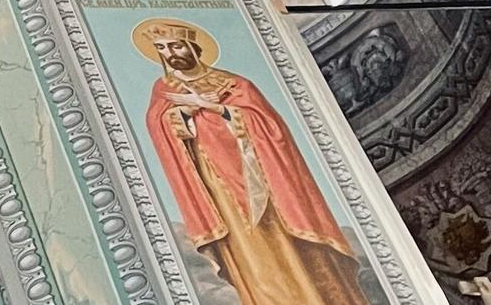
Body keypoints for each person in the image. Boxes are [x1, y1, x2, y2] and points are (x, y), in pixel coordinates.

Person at [138, 19, 369, 305]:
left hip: (260, 176)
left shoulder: (236, 84)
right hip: (216, 183)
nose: (169, 54)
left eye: (175, 46)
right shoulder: (164, 89)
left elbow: (271, 127)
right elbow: (158, 124)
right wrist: (184, 112)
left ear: (192, 47)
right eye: (161, 48)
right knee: (250, 251)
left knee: (286, 242)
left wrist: (217, 108)